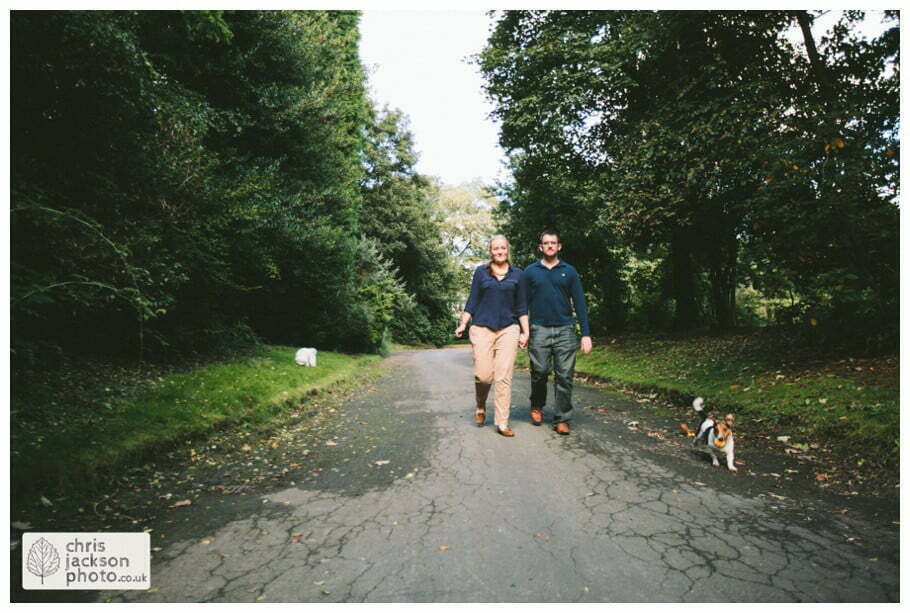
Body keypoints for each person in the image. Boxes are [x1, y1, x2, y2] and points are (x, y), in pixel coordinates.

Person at [454, 235, 529, 437]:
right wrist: (463, 323)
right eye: (495, 248)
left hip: (508, 329)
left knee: (504, 376)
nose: (499, 251)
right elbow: (473, 300)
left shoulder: (518, 275)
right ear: (490, 251)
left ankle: (502, 423)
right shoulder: (481, 273)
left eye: (502, 248)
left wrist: (525, 331)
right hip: (482, 328)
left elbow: (522, 306)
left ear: (507, 250)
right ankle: (480, 406)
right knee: (484, 375)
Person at [520, 230, 593, 435]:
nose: (550, 246)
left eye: (553, 243)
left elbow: (580, 303)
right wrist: (523, 331)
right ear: (540, 247)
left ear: (559, 246)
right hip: (538, 329)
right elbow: (522, 304)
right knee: (540, 371)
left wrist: (585, 334)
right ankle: (537, 404)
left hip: (565, 330)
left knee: (565, 376)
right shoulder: (530, 272)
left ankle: (562, 418)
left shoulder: (569, 271)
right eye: (546, 243)